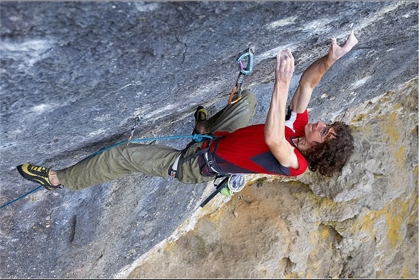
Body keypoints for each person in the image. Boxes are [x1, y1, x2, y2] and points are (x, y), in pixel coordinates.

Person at [17, 30, 358, 194]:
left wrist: (281, 81)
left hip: (194, 165)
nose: (320, 124)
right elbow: (309, 85)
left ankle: (58, 179)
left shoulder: (295, 164)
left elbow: (272, 137)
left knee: (120, 156)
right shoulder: (298, 128)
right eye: (327, 125)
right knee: (249, 100)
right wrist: (332, 59)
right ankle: (204, 124)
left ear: (319, 149)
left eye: (324, 132)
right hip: (216, 139)